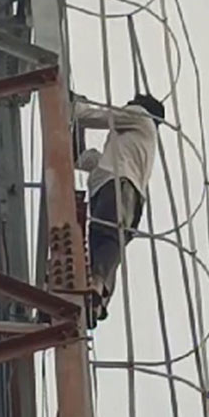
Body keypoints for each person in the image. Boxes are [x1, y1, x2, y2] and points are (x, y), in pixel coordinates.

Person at [70, 91, 166, 323]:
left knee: (107, 236)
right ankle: (97, 298)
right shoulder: (123, 148)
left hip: (120, 185)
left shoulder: (140, 116)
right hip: (119, 191)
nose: (126, 107)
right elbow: (83, 159)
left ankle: (98, 284)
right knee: (106, 242)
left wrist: (74, 105)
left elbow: (94, 117)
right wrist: (76, 123)